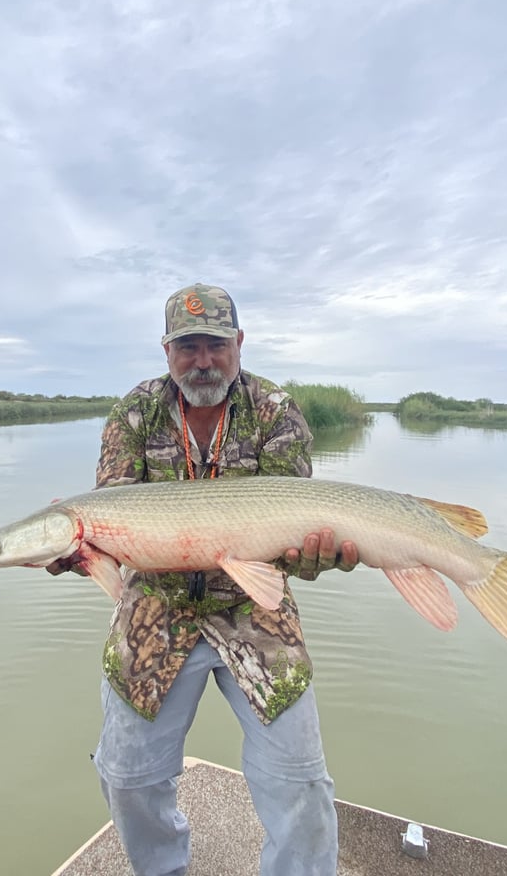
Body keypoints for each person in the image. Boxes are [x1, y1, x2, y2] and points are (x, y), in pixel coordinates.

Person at [49, 282, 359, 876]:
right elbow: (115, 512)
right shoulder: (134, 412)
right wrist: (85, 550)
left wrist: (315, 556)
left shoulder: (275, 410)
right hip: (156, 607)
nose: (203, 360)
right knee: (127, 778)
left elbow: (292, 535)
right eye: (187, 346)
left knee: (301, 782)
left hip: (253, 606)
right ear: (166, 351)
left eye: (215, 344)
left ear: (239, 343)